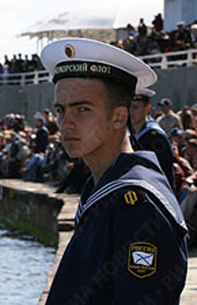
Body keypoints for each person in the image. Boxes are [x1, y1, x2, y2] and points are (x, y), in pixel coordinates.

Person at [41, 38, 187, 304]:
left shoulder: (138, 205)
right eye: (60, 110)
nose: (66, 124)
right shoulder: (106, 186)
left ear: (119, 117)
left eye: (82, 109)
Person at [130, 87, 175, 190]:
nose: (131, 111)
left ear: (147, 109)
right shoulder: (131, 132)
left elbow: (165, 171)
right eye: (129, 107)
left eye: (136, 107)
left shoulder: (155, 137)